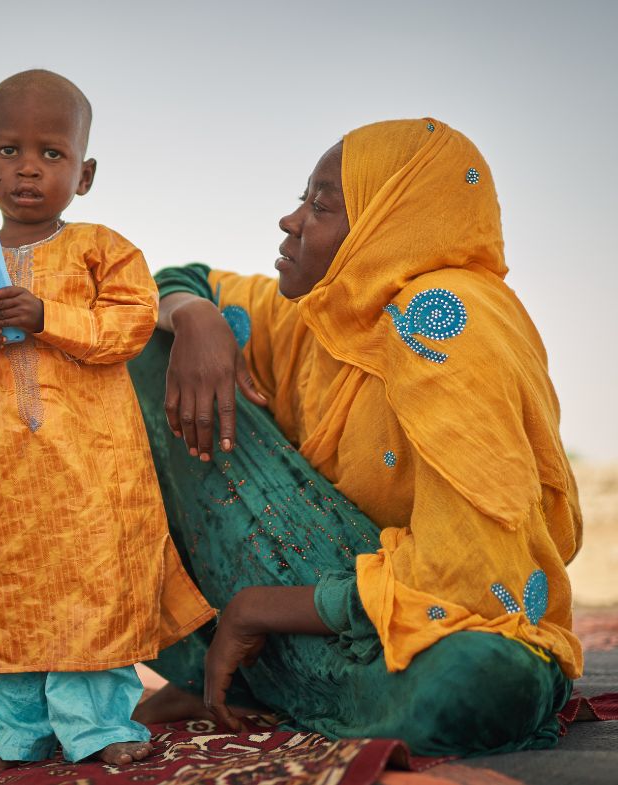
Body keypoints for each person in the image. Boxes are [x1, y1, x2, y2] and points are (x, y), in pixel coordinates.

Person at [128, 118, 582, 757]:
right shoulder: (324, 314)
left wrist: (260, 607)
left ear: (385, 222)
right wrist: (198, 318)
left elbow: (471, 576)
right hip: (324, 597)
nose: (290, 221)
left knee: (477, 683)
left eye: (320, 207)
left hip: (429, 617)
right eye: (300, 199)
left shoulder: (444, 323)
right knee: (140, 343)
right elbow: (178, 280)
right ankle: (236, 673)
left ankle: (270, 682)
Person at [0, 69, 214, 775]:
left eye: (51, 154)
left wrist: (46, 316)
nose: (28, 167)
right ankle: (5, 734)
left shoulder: (102, 248)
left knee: (91, 595)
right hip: (5, 479)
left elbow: (130, 326)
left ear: (83, 174)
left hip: (93, 474)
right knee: (2, 598)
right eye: (10, 150)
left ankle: (98, 726)